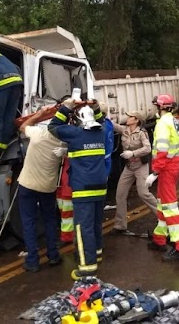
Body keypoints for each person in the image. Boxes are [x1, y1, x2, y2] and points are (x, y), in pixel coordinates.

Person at [48, 99, 107, 280]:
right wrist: (95, 107)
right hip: (100, 188)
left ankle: (87, 267)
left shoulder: (75, 134)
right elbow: (102, 120)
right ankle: (96, 254)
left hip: (83, 189)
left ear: (79, 121)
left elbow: (53, 126)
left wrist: (67, 107)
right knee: (96, 224)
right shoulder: (102, 133)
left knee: (83, 228)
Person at [16, 106, 67, 272]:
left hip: (27, 184)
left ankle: (32, 261)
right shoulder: (63, 143)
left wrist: (38, 115)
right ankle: (53, 255)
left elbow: (23, 126)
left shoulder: (38, 135)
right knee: (50, 220)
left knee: (28, 221)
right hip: (47, 187)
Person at [145, 94, 179, 261]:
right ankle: (159, 238)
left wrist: (155, 172)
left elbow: (162, 151)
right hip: (172, 166)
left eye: (157, 106)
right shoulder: (174, 121)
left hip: (166, 169)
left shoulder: (163, 124)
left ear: (161, 107)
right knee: (163, 204)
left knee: (170, 207)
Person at [109, 110, 156, 235]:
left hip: (141, 166)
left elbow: (147, 148)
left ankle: (164, 217)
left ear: (136, 120)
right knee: (120, 194)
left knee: (144, 193)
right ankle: (120, 225)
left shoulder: (142, 133)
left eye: (131, 117)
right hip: (129, 167)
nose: (128, 118)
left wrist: (133, 153)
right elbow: (112, 125)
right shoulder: (124, 130)